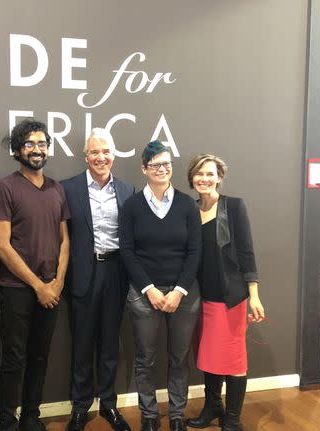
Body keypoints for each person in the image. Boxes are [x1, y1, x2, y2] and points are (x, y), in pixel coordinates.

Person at [0, 118, 70, 431]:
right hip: (18, 289)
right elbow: (1, 245)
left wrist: (57, 282)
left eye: (42, 144)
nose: (37, 150)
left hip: (52, 289)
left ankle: (31, 417)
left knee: (40, 357)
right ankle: (8, 423)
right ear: (17, 150)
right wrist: (38, 286)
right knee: (14, 360)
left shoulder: (57, 188)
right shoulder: (5, 187)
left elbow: (66, 241)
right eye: (29, 144)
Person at [120, 140, 202, 431]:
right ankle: (149, 415)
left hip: (184, 294)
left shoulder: (186, 206)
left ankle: (177, 415)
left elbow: (195, 252)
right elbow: (127, 251)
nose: (162, 169)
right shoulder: (131, 206)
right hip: (144, 294)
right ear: (144, 169)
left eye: (166, 163)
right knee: (145, 359)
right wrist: (150, 289)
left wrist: (179, 290)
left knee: (179, 358)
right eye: (155, 164)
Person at [61, 128, 134, 431]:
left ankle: (108, 404)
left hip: (116, 271)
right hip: (82, 273)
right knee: (81, 342)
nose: (100, 157)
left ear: (113, 155)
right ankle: (80, 406)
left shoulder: (128, 190)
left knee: (109, 342)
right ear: (85, 155)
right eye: (95, 152)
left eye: (106, 152)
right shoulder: (68, 188)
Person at [185, 154, 265, 431]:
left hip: (230, 297)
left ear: (220, 177)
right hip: (200, 297)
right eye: (199, 174)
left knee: (233, 359)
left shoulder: (233, 206)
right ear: (191, 179)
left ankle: (231, 419)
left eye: (210, 174)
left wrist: (253, 294)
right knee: (209, 355)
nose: (204, 179)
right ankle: (212, 407)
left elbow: (246, 251)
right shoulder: (189, 209)